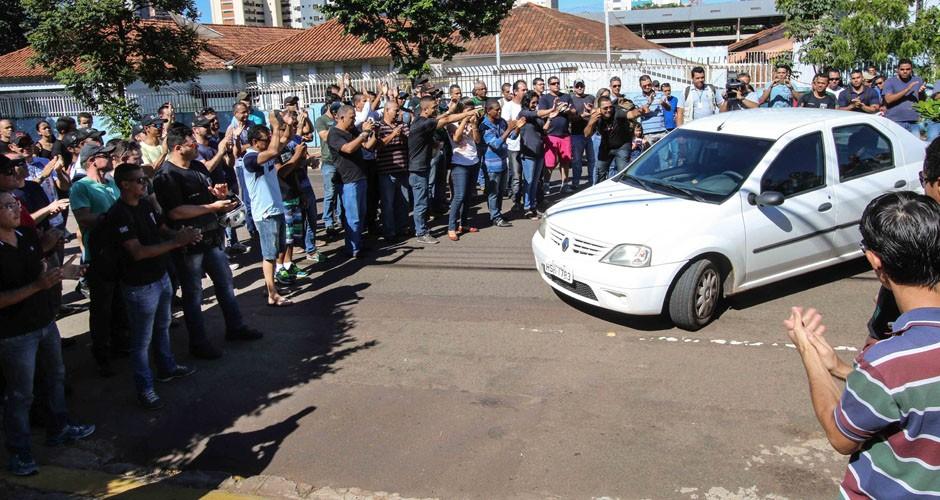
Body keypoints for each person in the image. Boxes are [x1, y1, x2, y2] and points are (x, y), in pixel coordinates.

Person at [784, 190, 940, 498]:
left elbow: (841, 437)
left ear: (874, 260)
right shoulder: (893, 365)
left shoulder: (889, 362)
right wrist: (840, 368)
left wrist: (808, 352)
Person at [0, 186, 95, 477]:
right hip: (15, 334)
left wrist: (63, 274)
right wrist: (37, 286)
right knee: (20, 395)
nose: (17, 209)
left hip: (43, 323)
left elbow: (37, 271)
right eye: (8, 206)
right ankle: (20, 453)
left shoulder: (25, 236)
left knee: (55, 378)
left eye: (16, 204)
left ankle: (60, 428)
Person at [153, 126, 263, 360]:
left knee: (226, 285)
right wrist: (212, 206)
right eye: (192, 143)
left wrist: (218, 196)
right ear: (178, 147)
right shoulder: (166, 175)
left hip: (212, 238)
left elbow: (207, 195)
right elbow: (175, 212)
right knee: (193, 295)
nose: (197, 146)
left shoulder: (198, 167)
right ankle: (199, 343)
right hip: (189, 245)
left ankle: (235, 327)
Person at [105, 163, 200, 409]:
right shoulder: (119, 214)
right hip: (139, 286)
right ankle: (145, 387)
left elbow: (162, 229)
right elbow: (137, 252)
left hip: (160, 276)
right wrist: (177, 243)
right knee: (141, 341)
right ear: (124, 184)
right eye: (139, 180)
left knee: (163, 326)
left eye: (144, 179)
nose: (144, 183)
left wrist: (181, 234)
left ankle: (166, 367)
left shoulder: (146, 204)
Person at [69, 143, 130, 377]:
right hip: (99, 254)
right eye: (105, 155)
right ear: (92, 160)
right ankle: (101, 354)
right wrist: (111, 217)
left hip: (120, 250)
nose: (111, 157)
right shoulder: (81, 187)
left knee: (120, 302)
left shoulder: (111, 183)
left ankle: (120, 344)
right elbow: (83, 218)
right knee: (102, 307)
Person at [407, 97, 475, 245]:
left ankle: (421, 229)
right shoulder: (424, 123)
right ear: (425, 109)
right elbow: (447, 120)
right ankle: (421, 232)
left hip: (421, 167)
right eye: (433, 107)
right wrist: (467, 114)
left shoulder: (420, 120)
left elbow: (440, 118)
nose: (436, 109)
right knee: (421, 203)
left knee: (423, 201)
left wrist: (450, 111)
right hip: (418, 170)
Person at [327, 105, 377, 258]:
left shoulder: (352, 130)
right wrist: (364, 133)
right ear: (341, 117)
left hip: (360, 176)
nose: (354, 120)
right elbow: (348, 148)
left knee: (361, 215)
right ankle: (352, 249)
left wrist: (374, 133)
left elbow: (367, 146)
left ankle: (357, 244)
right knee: (352, 217)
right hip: (347, 180)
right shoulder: (334, 134)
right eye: (352, 117)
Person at [481, 99, 523, 228]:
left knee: (500, 192)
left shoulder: (501, 122)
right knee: (493, 193)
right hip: (491, 165)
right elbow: (495, 144)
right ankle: (495, 217)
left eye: (500, 109)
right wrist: (509, 129)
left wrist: (518, 128)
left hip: (503, 163)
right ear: (488, 111)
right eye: (496, 110)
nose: (499, 112)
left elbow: (512, 137)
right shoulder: (485, 126)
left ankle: (497, 213)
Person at [374, 100, 411, 242]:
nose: (398, 113)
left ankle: (402, 228)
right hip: (386, 171)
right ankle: (389, 232)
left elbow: (409, 142)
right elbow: (377, 145)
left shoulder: (402, 125)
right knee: (387, 204)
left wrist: (400, 135)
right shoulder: (379, 126)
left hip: (402, 169)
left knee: (404, 202)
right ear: (386, 110)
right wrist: (393, 134)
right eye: (396, 110)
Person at [585, 95, 643, 183]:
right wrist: (591, 122)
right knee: (600, 172)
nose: (609, 110)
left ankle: (622, 188)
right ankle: (601, 189)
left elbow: (630, 114)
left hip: (622, 145)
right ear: (599, 109)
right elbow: (586, 134)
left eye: (610, 107)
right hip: (606, 147)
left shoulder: (617, 111)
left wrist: (639, 111)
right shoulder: (596, 117)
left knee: (622, 173)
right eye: (605, 108)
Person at [446, 100, 481, 241]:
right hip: (459, 163)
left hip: (474, 161)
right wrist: (464, 119)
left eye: (473, 110)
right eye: (468, 111)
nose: (472, 113)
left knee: (468, 196)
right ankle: (451, 227)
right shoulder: (451, 123)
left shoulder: (473, 123)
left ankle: (464, 224)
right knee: (459, 196)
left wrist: (474, 125)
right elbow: (456, 138)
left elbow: (477, 140)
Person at [518, 91, 555, 219]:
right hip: (528, 153)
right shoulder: (523, 113)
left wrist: (550, 118)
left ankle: (533, 206)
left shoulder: (537, 116)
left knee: (535, 182)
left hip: (539, 152)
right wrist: (551, 109)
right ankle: (527, 207)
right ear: (526, 102)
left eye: (537, 102)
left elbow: (543, 130)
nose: (535, 105)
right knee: (528, 181)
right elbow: (536, 113)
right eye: (533, 102)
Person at [539, 76, 575, 193]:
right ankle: (546, 183)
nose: (556, 85)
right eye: (553, 83)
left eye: (558, 83)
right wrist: (554, 109)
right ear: (549, 85)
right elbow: (541, 114)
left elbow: (574, 111)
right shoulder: (544, 98)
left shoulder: (566, 96)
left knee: (565, 161)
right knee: (550, 163)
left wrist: (568, 110)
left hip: (565, 135)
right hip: (551, 135)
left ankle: (565, 184)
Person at [316, 101, 342, 236]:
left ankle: (340, 219)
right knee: (330, 193)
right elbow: (325, 136)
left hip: (341, 161)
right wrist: (339, 127)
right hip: (329, 161)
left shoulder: (339, 119)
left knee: (341, 192)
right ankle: (328, 221)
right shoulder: (321, 120)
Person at [882, 58, 927, 137]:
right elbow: (888, 99)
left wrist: (921, 93)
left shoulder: (918, 80)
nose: (905, 71)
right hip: (895, 121)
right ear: (897, 70)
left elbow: (922, 101)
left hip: (914, 121)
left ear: (911, 69)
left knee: (914, 144)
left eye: (908, 69)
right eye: (902, 69)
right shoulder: (890, 81)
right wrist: (907, 89)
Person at [502, 80, 528, 212]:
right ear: (515, 92)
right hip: (514, 145)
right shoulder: (508, 106)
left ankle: (529, 200)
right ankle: (516, 200)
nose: (525, 92)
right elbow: (507, 124)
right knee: (516, 175)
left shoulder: (527, 105)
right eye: (523, 90)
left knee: (528, 175)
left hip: (528, 144)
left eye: (526, 89)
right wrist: (517, 124)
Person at [569, 79, 595, 190]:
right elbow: (570, 118)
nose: (580, 88)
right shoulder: (571, 99)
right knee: (577, 160)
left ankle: (592, 181)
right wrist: (582, 116)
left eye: (581, 86)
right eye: (577, 86)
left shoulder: (591, 98)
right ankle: (576, 182)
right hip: (577, 134)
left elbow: (597, 111)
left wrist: (591, 110)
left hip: (591, 134)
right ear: (574, 88)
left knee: (592, 160)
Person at [629, 75, 671, 144]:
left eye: (649, 85)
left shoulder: (660, 94)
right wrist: (649, 102)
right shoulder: (637, 98)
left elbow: (669, 108)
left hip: (662, 132)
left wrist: (664, 104)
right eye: (644, 86)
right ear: (640, 86)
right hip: (647, 134)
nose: (647, 87)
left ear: (652, 83)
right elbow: (641, 112)